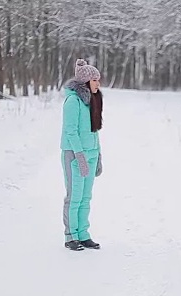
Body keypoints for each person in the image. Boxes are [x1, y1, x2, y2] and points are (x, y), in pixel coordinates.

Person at [60, 59, 103, 251]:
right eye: (95, 80)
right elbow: (71, 131)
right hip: (75, 156)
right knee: (74, 197)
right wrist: (79, 156)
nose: (98, 84)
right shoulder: (73, 101)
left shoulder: (91, 102)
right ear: (86, 82)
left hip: (91, 154)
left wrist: (98, 156)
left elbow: (94, 131)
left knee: (86, 197)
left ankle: (83, 234)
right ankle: (71, 236)